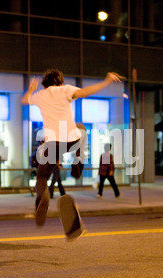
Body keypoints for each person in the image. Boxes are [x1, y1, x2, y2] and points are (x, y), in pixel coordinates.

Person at [21, 69, 121, 233]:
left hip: (53, 144)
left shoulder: (40, 95)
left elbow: (24, 100)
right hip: (72, 140)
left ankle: (43, 197)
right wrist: (106, 81)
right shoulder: (65, 89)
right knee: (81, 129)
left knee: (42, 177)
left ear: (46, 83)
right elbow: (85, 92)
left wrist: (31, 89)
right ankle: (78, 161)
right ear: (59, 82)